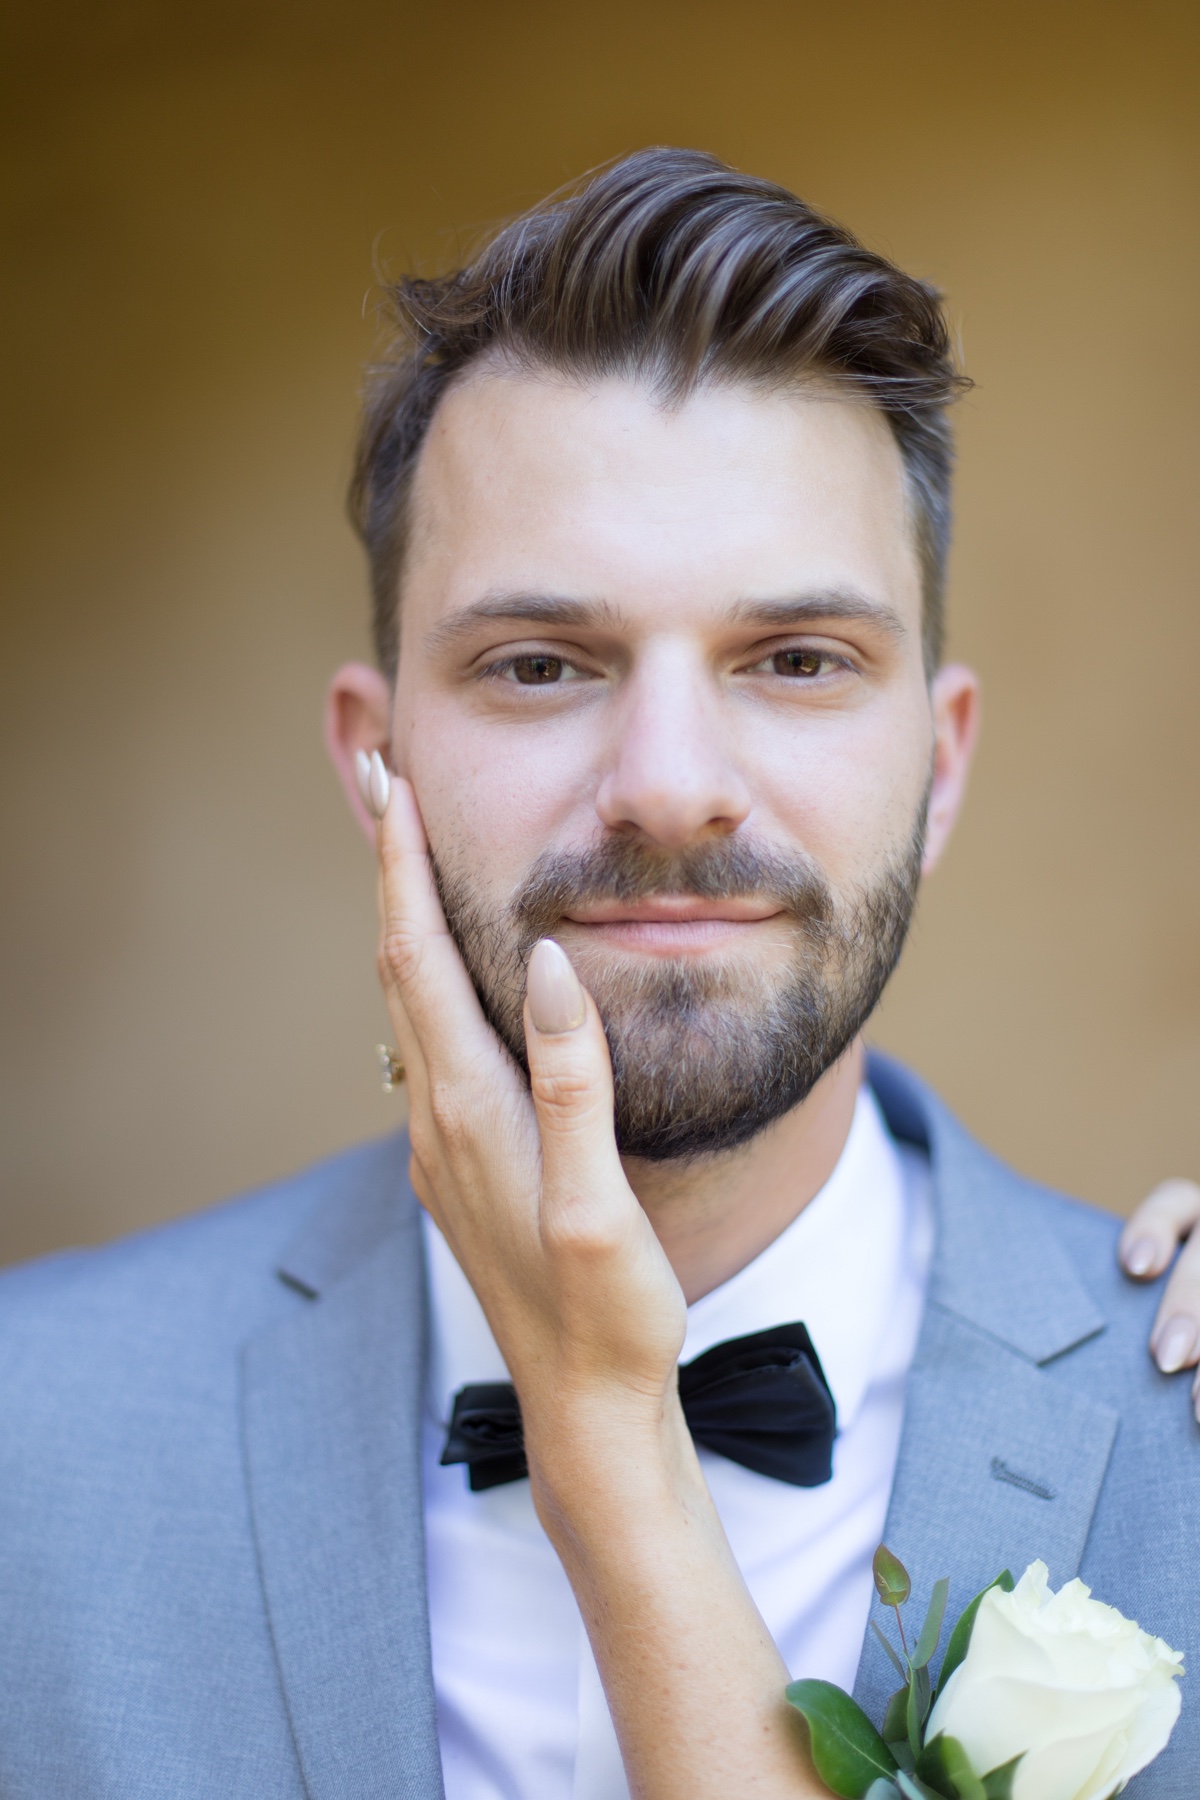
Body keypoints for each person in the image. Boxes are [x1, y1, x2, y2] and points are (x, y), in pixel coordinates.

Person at [0, 149, 1196, 1800]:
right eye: (542, 664)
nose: (668, 781)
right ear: (378, 765)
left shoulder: (1181, 1428)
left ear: (940, 762)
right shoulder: (26, 1437)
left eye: (795, 661)